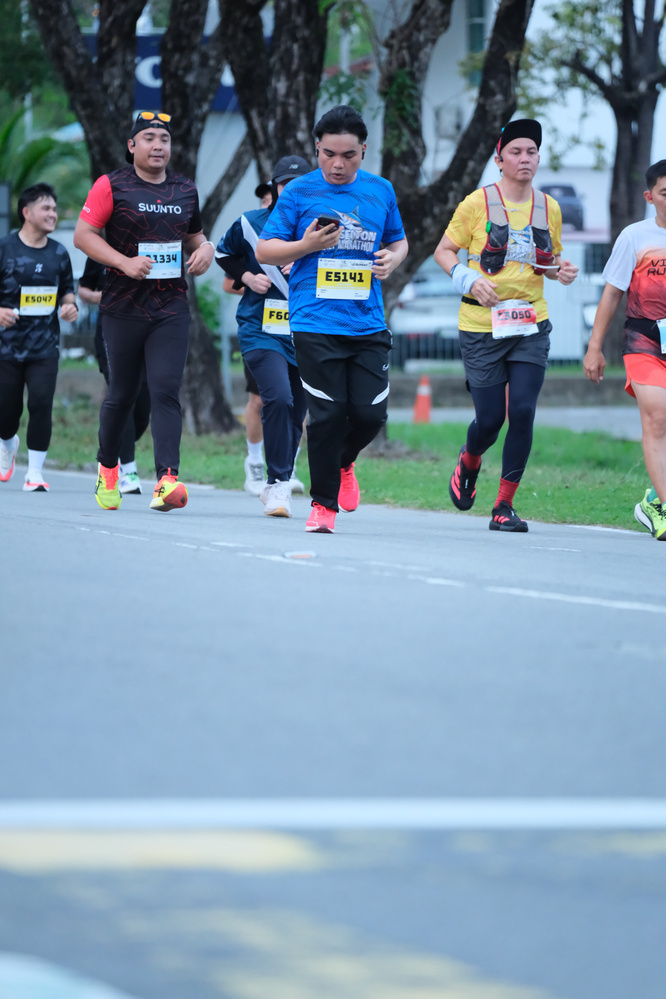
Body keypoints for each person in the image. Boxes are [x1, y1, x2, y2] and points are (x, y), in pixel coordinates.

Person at [256, 104, 408, 533]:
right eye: (328, 154)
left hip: (367, 322)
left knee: (370, 416)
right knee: (326, 415)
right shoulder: (298, 192)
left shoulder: (380, 190)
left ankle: (344, 462)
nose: (337, 164)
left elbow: (399, 241)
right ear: (317, 149)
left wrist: (393, 259)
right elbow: (265, 250)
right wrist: (304, 246)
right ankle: (323, 506)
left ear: (364, 151)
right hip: (314, 321)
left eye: (348, 155)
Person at [433, 118, 578, 532]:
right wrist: (469, 279)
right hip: (482, 326)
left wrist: (561, 272)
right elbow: (444, 251)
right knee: (491, 420)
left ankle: (503, 506)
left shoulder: (548, 207)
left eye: (531, 152)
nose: (524, 158)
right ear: (499, 159)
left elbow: (547, 263)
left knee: (524, 411)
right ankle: (469, 459)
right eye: (515, 152)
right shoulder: (476, 203)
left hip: (531, 323)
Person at [73, 111, 215, 511]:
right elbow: (83, 236)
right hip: (122, 306)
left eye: (164, 139)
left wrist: (206, 249)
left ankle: (167, 480)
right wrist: (123, 262)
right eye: (149, 138)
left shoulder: (185, 189)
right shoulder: (111, 185)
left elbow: (195, 236)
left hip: (170, 306)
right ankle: (108, 468)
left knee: (165, 391)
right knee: (122, 393)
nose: (158, 146)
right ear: (132, 145)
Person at [216, 155, 311, 517]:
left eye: (299, 184)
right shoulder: (251, 223)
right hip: (261, 329)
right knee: (278, 398)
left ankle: (280, 478)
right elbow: (223, 254)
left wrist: (303, 260)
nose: (291, 190)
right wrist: (246, 277)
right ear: (275, 187)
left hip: (305, 329)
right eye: (285, 184)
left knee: (298, 410)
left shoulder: (321, 226)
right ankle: (276, 481)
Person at [583, 159, 666, 541]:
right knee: (657, 418)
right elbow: (612, 293)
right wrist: (594, 348)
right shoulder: (634, 237)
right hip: (644, 339)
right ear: (650, 197)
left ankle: (652, 499)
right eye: (665, 193)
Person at [0, 182, 77, 492]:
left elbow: (67, 291)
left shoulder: (59, 253)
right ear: (27, 212)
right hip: (6, 347)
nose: (53, 214)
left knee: (41, 403)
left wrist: (70, 306)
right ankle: (8, 442)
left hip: (45, 346)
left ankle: (34, 472)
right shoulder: (5, 248)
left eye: (54, 209)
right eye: (46, 208)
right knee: (6, 412)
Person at [78, 255, 151, 495]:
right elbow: (83, 290)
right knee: (123, 396)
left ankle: (114, 445)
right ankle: (128, 471)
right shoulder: (100, 251)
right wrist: (103, 296)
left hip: (148, 330)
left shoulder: (151, 246)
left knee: (143, 407)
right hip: (111, 332)